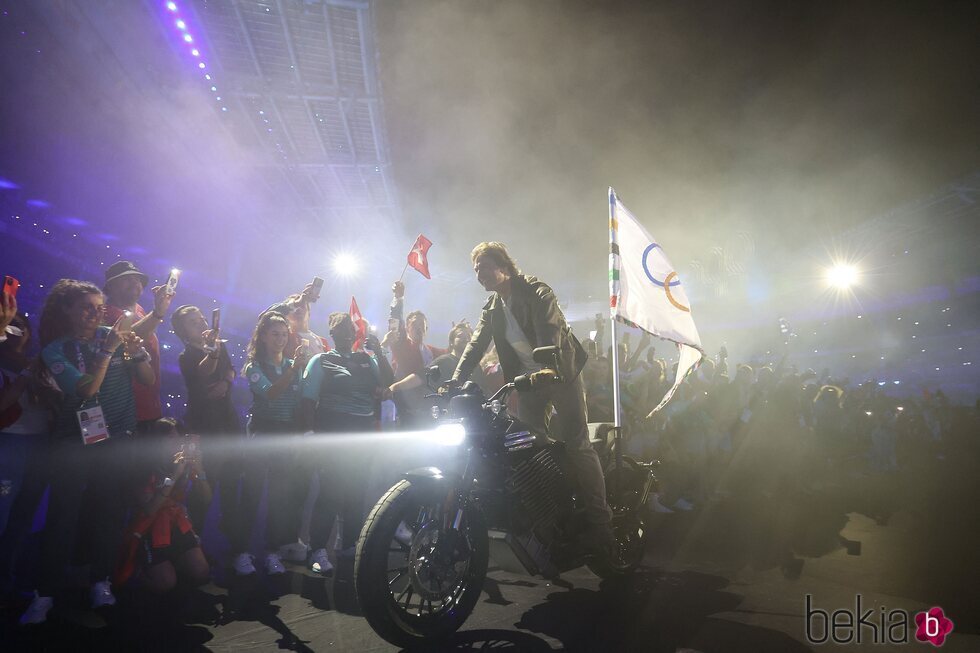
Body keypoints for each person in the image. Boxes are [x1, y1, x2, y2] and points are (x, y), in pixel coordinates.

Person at [451, 242, 614, 552]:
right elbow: (475, 345)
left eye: (483, 267)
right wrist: (455, 379)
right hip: (527, 382)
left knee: (577, 443)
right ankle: (547, 512)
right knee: (527, 447)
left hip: (559, 374)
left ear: (503, 266)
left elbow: (550, 326)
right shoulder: (493, 308)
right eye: (474, 270)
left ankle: (600, 521)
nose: (478, 275)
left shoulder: (537, 291)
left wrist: (549, 365)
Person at [20, 279, 154, 625]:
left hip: (116, 438)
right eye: (86, 307)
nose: (95, 314)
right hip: (74, 442)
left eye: (98, 307)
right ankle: (45, 592)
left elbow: (148, 379)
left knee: (109, 513)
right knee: (62, 516)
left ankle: (101, 581)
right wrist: (109, 350)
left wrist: (137, 348)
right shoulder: (55, 350)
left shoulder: (114, 333)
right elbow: (85, 390)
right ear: (66, 310)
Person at [302, 313, 391, 573]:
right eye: (340, 329)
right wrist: (309, 433)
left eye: (350, 329)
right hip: (332, 431)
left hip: (362, 433)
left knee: (356, 489)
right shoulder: (322, 360)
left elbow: (387, 384)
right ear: (331, 333)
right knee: (330, 491)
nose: (347, 334)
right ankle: (316, 549)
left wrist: (380, 354)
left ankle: (349, 544)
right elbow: (308, 399)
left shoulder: (367, 360)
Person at [170, 305, 242, 567]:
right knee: (204, 488)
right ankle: (192, 546)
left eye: (201, 318)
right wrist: (213, 352)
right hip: (205, 427)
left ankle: (237, 545)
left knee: (233, 483)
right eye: (193, 322)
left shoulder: (218, 345)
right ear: (183, 333)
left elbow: (230, 370)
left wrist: (228, 381)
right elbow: (205, 371)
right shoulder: (187, 355)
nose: (200, 323)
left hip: (228, 423)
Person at [239, 311, 309, 575]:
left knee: (280, 497)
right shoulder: (254, 365)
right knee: (252, 494)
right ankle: (242, 552)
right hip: (262, 435)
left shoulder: (294, 364)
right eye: (274, 334)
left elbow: (302, 399)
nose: (280, 339)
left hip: (287, 436)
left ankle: (272, 551)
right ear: (263, 337)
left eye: (284, 334)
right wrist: (293, 370)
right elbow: (270, 393)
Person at [114, 418, 210, 593]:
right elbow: (150, 509)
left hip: (175, 522)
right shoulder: (143, 466)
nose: (177, 443)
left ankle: (173, 561)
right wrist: (174, 476)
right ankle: (139, 571)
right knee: (165, 583)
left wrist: (200, 469)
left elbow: (206, 498)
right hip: (148, 528)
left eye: (179, 438)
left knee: (201, 572)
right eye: (170, 439)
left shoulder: (182, 462)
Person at [101, 261, 175, 434]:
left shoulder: (140, 311)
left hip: (149, 406)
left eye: (138, 279)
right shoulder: (104, 313)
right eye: (127, 279)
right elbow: (125, 338)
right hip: (125, 411)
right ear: (110, 286)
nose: (135, 283)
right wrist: (157, 312)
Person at [383, 281, 446, 427]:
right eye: (414, 326)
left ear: (426, 328)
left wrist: (460, 335)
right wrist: (398, 299)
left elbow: (453, 356)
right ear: (407, 328)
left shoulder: (433, 351)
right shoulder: (402, 345)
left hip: (429, 410)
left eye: (421, 326)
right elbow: (396, 322)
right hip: (404, 409)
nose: (418, 329)